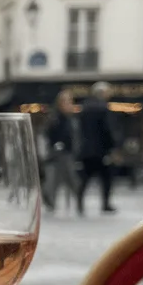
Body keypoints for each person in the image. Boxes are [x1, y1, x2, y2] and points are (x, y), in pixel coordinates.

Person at [76, 81, 117, 215]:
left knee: (85, 179)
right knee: (106, 179)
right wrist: (112, 146)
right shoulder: (103, 108)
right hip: (101, 151)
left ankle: (79, 203)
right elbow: (107, 130)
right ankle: (105, 204)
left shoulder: (85, 108)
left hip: (86, 150)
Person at [43, 91, 79, 212]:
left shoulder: (70, 118)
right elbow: (49, 134)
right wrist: (56, 145)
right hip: (57, 153)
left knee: (68, 178)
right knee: (56, 178)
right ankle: (50, 199)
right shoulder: (56, 118)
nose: (70, 105)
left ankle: (78, 200)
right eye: (67, 102)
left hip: (67, 153)